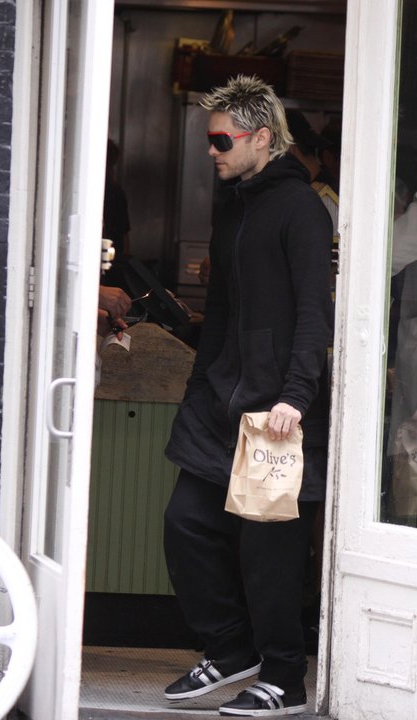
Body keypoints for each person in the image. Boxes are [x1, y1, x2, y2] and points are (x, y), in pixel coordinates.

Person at [163, 74, 333, 717]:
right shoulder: (233, 206)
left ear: (261, 138)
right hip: (219, 405)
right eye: (210, 139)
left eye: (222, 140)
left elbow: (314, 313)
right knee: (185, 525)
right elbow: (222, 311)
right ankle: (232, 650)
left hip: (277, 414)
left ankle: (285, 676)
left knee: (269, 555)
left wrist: (296, 396)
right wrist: (197, 385)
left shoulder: (301, 210)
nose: (212, 150)